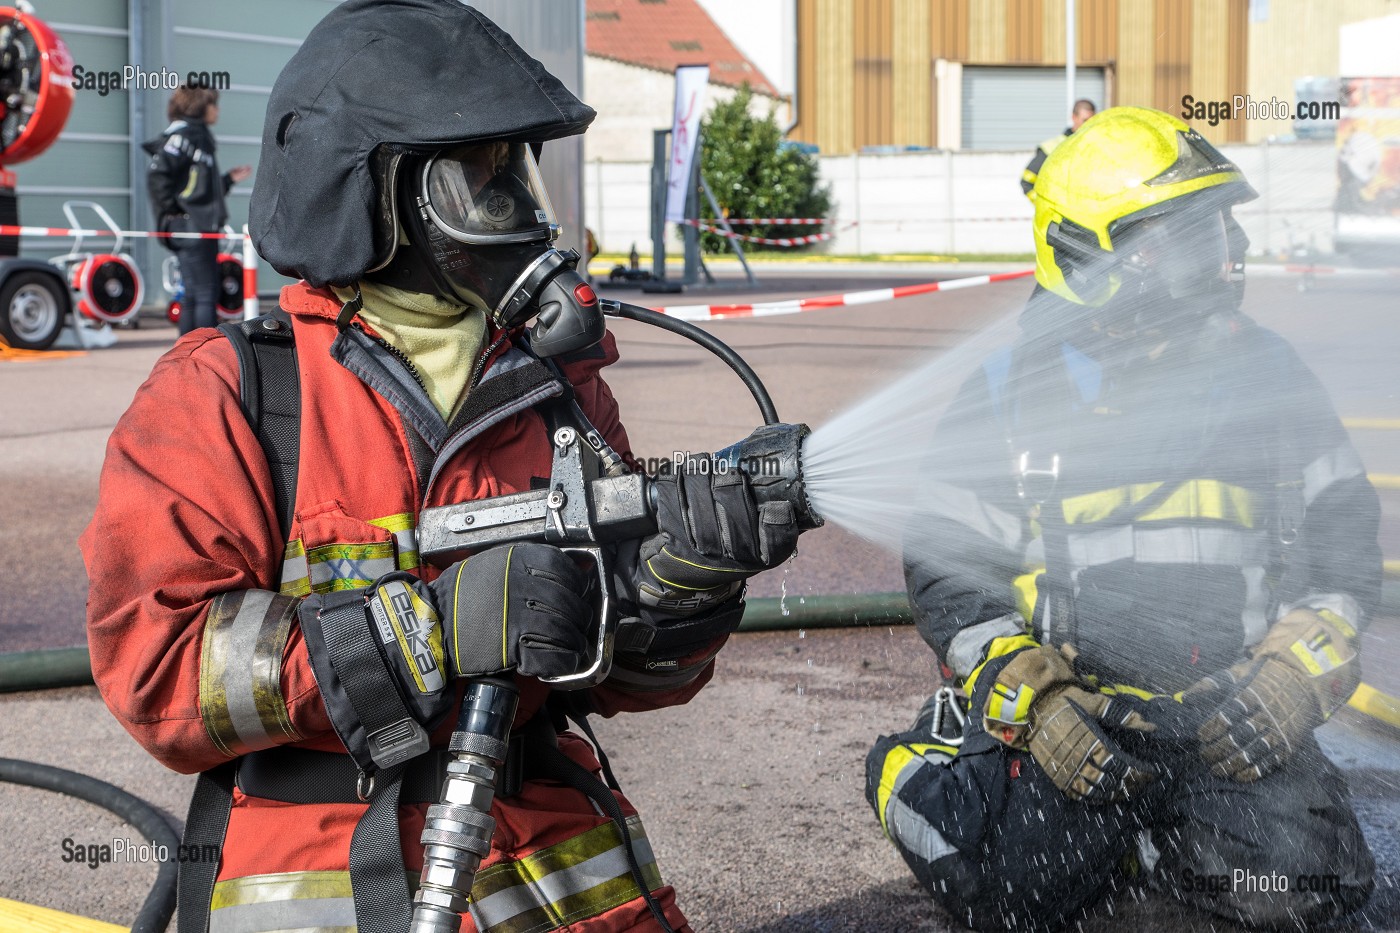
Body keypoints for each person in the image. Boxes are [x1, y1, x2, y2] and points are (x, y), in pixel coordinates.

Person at [83, 3, 798, 932]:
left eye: (518, 175)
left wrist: (679, 586)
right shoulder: (230, 394)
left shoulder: (561, 387)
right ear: (374, 197)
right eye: (479, 180)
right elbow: (158, 666)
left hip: (560, 869)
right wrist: (424, 632)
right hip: (324, 859)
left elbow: (629, 682)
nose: (518, 213)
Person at [866, 106, 1380, 931]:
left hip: (1230, 719)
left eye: (1216, 232)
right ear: (1090, 260)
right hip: (1072, 722)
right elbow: (949, 576)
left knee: (1307, 893)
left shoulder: (1270, 378)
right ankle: (928, 759)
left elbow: (1344, 551)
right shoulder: (1004, 401)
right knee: (1017, 899)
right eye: (1185, 242)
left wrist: (1296, 672)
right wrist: (1032, 703)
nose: (1224, 259)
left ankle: (1158, 839)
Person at [143, 85, 251, 335]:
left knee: (192, 293)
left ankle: (187, 355)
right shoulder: (186, 136)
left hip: (195, 226)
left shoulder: (195, 136)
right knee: (205, 293)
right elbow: (157, 176)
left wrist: (227, 181)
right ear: (201, 106)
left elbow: (196, 191)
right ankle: (205, 357)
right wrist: (176, 212)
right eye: (214, 104)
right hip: (192, 228)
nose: (217, 110)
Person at [1020, 98, 1095, 196]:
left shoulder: (1096, 146)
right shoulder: (1053, 146)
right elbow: (1027, 181)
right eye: (1085, 120)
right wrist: (1046, 207)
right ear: (1074, 117)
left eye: (1092, 120)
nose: (1088, 125)